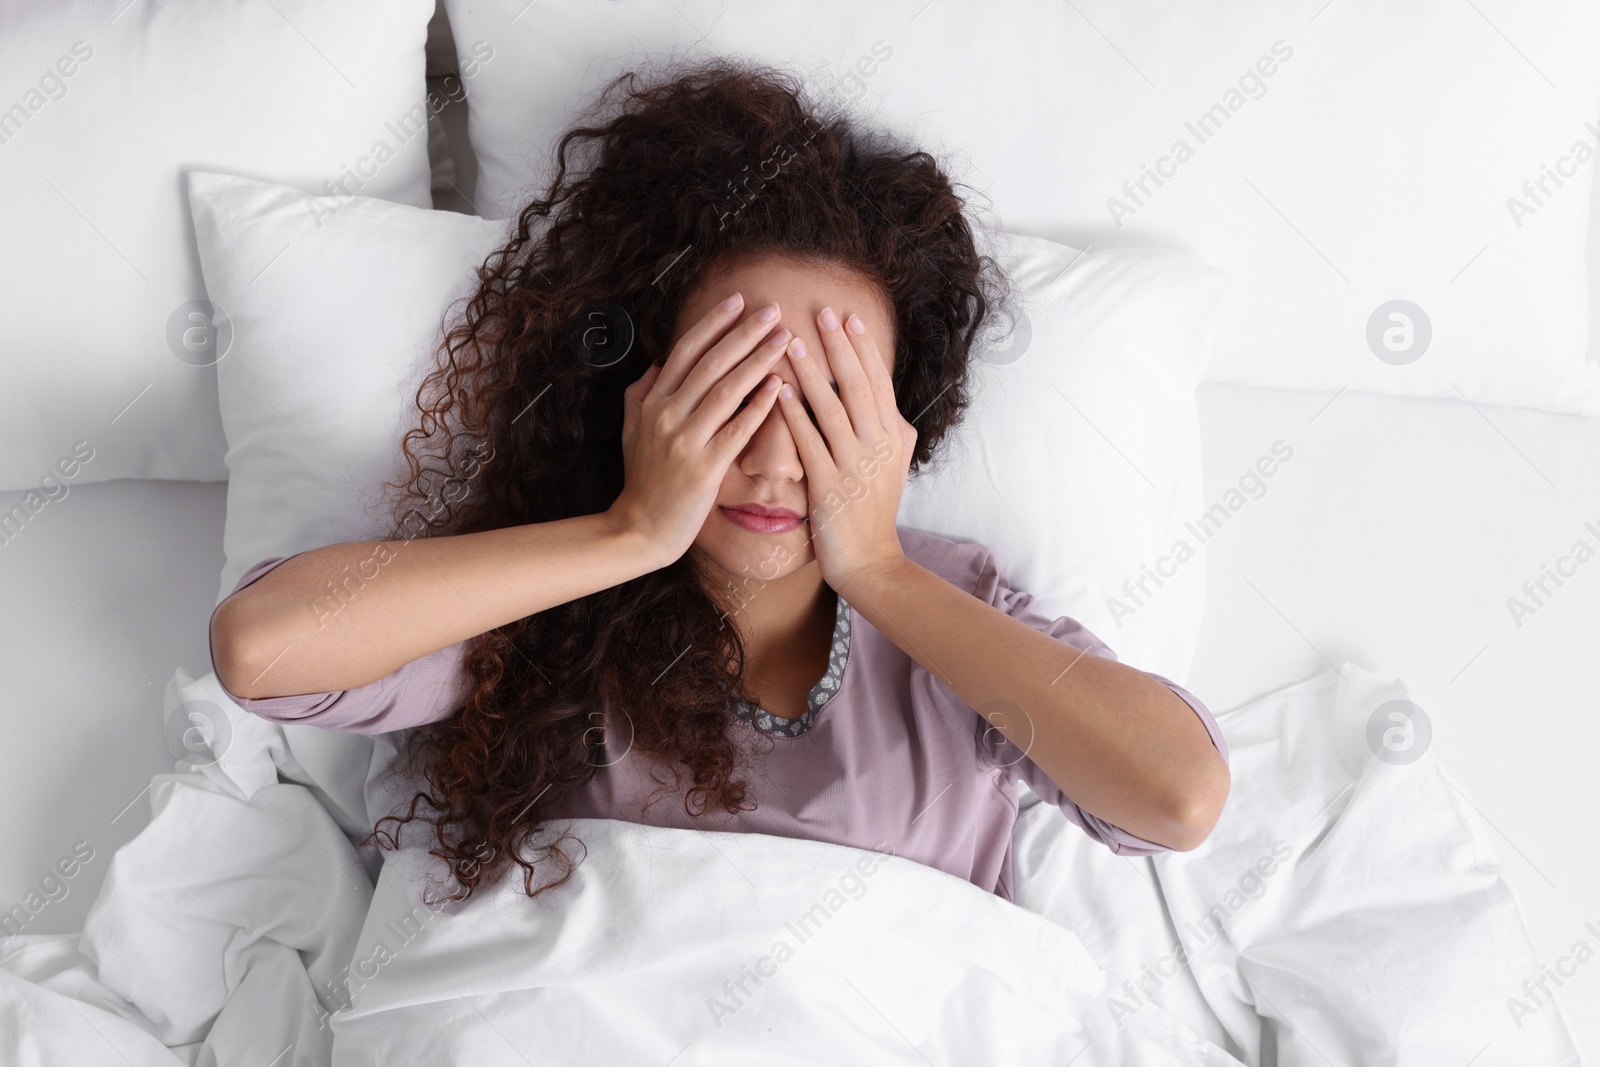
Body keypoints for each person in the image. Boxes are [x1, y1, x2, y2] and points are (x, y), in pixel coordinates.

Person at [208, 57, 1229, 907]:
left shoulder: (957, 608)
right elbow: (261, 648)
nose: (776, 453)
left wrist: (875, 567)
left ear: (897, 420)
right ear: (642, 386)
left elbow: (1178, 796)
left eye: (829, 402)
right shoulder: (541, 597)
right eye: (731, 387)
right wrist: (627, 534)